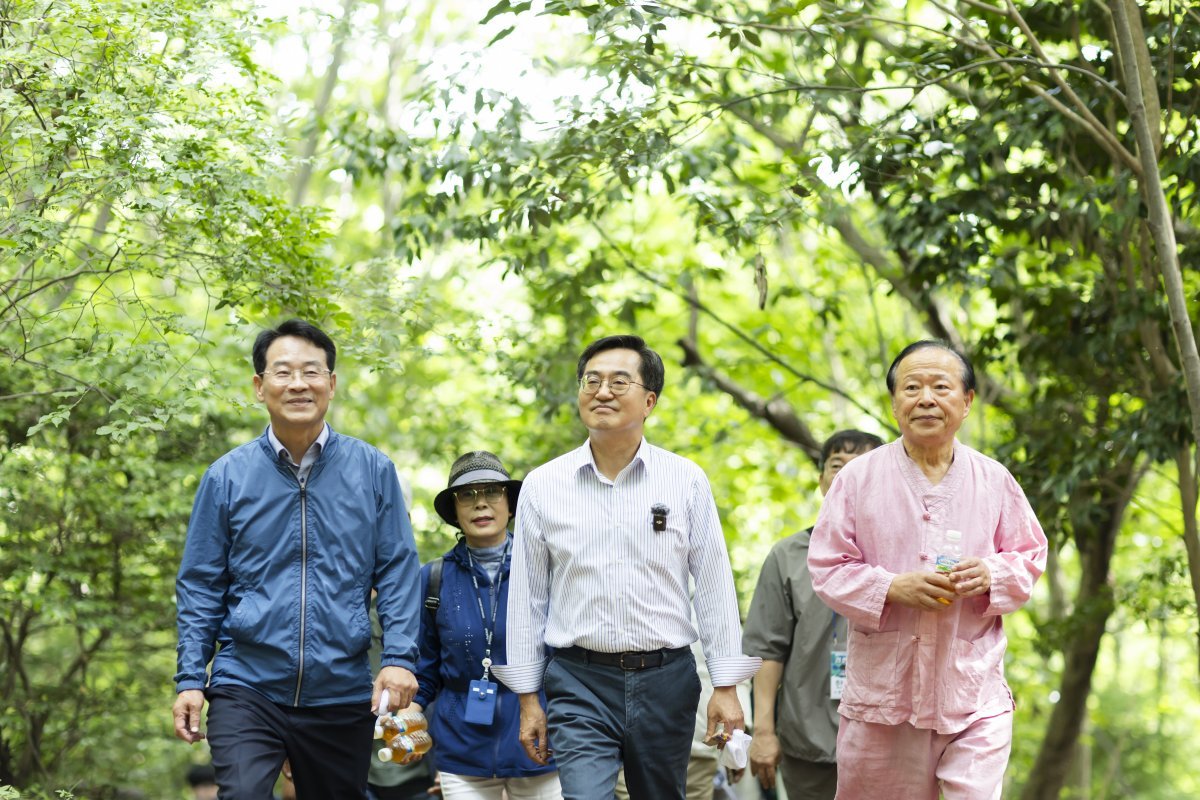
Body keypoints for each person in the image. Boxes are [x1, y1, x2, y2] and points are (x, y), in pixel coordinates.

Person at [493, 334, 761, 800]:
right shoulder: (543, 485)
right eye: (591, 381)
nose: (602, 392)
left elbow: (714, 586)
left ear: (649, 400)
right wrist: (527, 697)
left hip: (667, 679)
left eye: (620, 382)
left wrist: (726, 686)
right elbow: (527, 598)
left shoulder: (685, 481)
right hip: (579, 679)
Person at [172, 319, 422, 800]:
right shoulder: (227, 477)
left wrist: (397, 659)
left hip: (342, 689)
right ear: (259, 386)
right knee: (242, 794)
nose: (299, 383)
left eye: (312, 371)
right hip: (246, 683)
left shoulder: (372, 470)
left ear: (331, 384)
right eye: (283, 372)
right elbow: (201, 584)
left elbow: (396, 571)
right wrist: (190, 679)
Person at [808, 340, 1048, 799]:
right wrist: (891, 586)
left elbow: (1029, 556)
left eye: (941, 386)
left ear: (967, 401)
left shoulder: (994, 480)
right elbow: (827, 567)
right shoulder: (857, 479)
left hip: (973, 694)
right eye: (912, 387)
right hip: (884, 700)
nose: (926, 399)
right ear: (895, 403)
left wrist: (991, 575)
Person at [403, 451, 562, 799]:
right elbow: (424, 669)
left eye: (492, 492)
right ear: (455, 512)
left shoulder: (545, 570)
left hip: (539, 739)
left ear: (509, 504)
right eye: (467, 496)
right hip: (463, 748)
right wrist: (408, 713)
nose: (480, 505)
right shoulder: (434, 578)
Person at [742, 430, 883, 799]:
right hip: (808, 742)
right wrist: (763, 732)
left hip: (888, 742)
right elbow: (766, 652)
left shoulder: (903, 555)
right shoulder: (788, 556)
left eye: (862, 467)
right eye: (837, 466)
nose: (846, 476)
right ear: (822, 479)